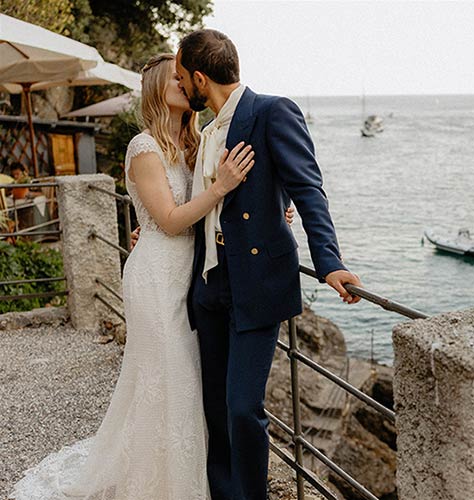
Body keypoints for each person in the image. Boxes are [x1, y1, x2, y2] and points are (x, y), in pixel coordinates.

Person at [9, 53, 290, 500]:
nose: (184, 83)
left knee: (188, 382)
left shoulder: (196, 143)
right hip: (157, 276)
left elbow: (216, 211)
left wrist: (271, 210)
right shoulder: (143, 146)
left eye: (185, 78)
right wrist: (221, 187)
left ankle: (190, 476)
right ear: (158, 89)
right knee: (168, 377)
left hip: (193, 276)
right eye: (175, 79)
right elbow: (173, 220)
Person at [175, 29, 362, 500]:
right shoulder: (206, 130)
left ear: (201, 78)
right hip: (209, 283)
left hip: (257, 283)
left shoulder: (272, 112)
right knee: (215, 408)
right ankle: (223, 493)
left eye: (182, 78)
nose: (181, 87)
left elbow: (308, 189)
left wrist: (330, 262)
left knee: (242, 407)